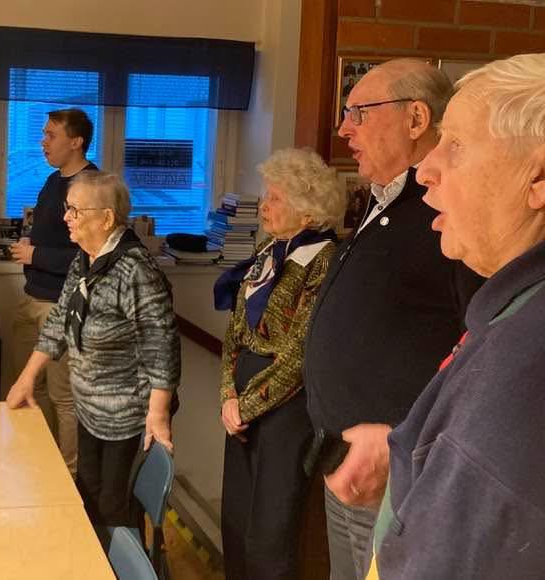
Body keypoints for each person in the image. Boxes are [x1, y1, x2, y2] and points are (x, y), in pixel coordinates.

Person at [366, 52, 545, 580]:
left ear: (538, 178)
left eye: (457, 145)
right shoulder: (518, 307)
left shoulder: (520, 370)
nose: (426, 169)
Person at [304, 58, 484, 580]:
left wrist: (409, 437)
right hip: (350, 462)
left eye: (358, 113)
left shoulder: (451, 213)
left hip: (399, 473)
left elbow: (479, 348)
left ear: (416, 119)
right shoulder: (382, 200)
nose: (344, 129)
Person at [6, 171, 180, 530]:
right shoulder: (86, 258)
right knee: (89, 500)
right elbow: (61, 318)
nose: (66, 217)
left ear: (106, 218)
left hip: (127, 417)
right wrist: (27, 377)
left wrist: (158, 414)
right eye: (67, 208)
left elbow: (161, 346)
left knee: (115, 513)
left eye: (75, 210)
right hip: (90, 409)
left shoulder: (135, 270)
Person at [214, 148, 344, 580]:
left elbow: (300, 353)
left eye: (274, 198)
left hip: (286, 410)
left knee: (271, 531)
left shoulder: (324, 260)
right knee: (236, 518)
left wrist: (246, 406)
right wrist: (228, 394)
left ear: (307, 212)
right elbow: (235, 329)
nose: (263, 206)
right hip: (241, 404)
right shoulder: (269, 251)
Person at [10, 108, 98, 477]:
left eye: (51, 135)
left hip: (63, 306)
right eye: (44, 134)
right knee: (32, 388)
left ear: (76, 141)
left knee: (64, 396)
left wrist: (37, 255)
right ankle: (39, 466)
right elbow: (52, 236)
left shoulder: (92, 187)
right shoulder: (52, 181)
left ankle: (68, 476)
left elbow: (92, 255)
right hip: (34, 298)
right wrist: (31, 245)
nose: (42, 142)